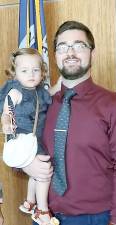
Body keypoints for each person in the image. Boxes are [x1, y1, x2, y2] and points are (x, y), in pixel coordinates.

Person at [25, 21, 116, 225]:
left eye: (79, 45)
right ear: (55, 56)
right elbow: (20, 145)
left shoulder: (114, 105)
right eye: (62, 47)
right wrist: (27, 165)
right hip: (43, 216)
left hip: (96, 218)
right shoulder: (39, 105)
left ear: (92, 53)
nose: (70, 53)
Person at [0, 48, 59, 225]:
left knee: (36, 173)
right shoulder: (16, 91)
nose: (31, 74)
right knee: (44, 174)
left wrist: (60, 84)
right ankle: (42, 210)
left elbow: (50, 94)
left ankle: (29, 201)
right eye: (24, 71)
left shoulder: (39, 91)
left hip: (36, 137)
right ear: (15, 73)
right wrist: (6, 122)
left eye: (36, 70)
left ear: (42, 72)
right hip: (23, 138)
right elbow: (7, 108)